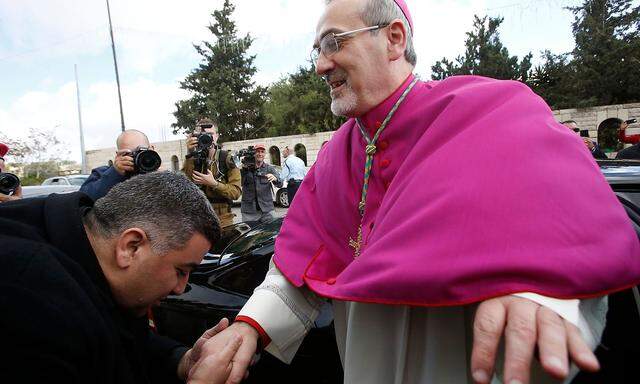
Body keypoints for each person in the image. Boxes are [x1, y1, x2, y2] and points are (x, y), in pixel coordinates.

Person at [201, 1, 640, 384]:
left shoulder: (490, 111)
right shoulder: (337, 155)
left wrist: (536, 288)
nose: (320, 65)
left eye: (334, 43)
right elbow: (301, 264)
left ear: (394, 38)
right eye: (317, 49)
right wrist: (251, 326)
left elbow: (560, 220)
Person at [0, 171, 241, 384]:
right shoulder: (32, 305)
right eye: (180, 271)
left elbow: (121, 337)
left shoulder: (88, 249)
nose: (180, 288)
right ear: (131, 246)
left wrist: (181, 360)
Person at [182, 118, 241, 228]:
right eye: (202, 135)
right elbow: (185, 184)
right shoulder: (192, 158)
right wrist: (190, 153)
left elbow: (236, 193)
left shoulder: (227, 158)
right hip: (197, 219)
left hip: (222, 220)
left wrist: (214, 184)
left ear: (217, 136)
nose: (207, 138)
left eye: (210, 134)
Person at [80, 129, 155, 201]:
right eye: (130, 154)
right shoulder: (102, 173)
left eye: (141, 152)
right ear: (118, 154)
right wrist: (114, 173)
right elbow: (83, 200)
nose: (137, 158)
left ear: (152, 149)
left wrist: (160, 176)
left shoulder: (161, 173)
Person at [239, 144, 282, 223]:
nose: (260, 154)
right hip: (249, 211)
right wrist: (244, 169)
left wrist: (275, 178)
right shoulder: (244, 168)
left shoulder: (269, 168)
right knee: (249, 234)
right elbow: (239, 183)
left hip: (267, 210)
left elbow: (280, 184)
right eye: (257, 151)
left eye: (262, 152)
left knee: (271, 232)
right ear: (253, 154)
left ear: (265, 154)